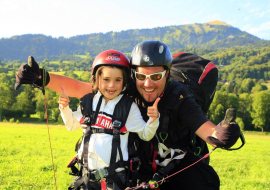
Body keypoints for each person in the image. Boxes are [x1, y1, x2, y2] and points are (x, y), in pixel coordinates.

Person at [15, 40, 240, 190]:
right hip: (142, 162)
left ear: (167, 74)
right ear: (134, 74)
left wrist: (222, 133)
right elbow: (82, 88)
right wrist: (40, 78)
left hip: (178, 166)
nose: (148, 84)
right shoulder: (128, 87)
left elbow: (206, 128)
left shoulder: (179, 97)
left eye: (156, 76)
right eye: (141, 76)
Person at [58, 50, 160, 190]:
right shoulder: (88, 102)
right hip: (85, 178)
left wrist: (153, 120)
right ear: (96, 79)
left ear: (124, 81)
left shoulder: (128, 107)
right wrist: (64, 108)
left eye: (117, 80)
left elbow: (146, 134)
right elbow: (71, 125)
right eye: (106, 79)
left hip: (114, 180)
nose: (111, 85)